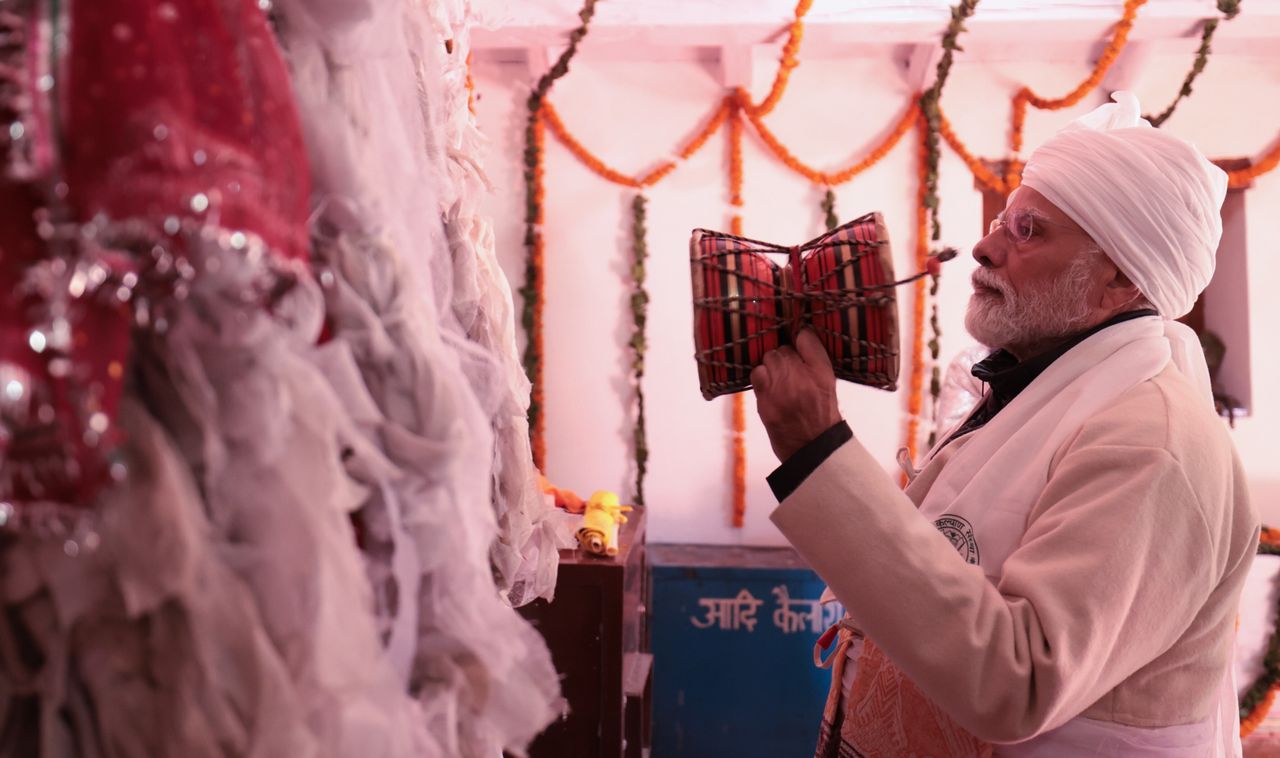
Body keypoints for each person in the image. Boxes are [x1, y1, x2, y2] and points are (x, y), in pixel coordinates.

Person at [751, 92, 1258, 757]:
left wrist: (818, 451)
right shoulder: (1042, 386)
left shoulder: (1150, 443)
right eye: (1002, 222)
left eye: (1027, 231)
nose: (985, 248)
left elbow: (1017, 682)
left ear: (1119, 280)